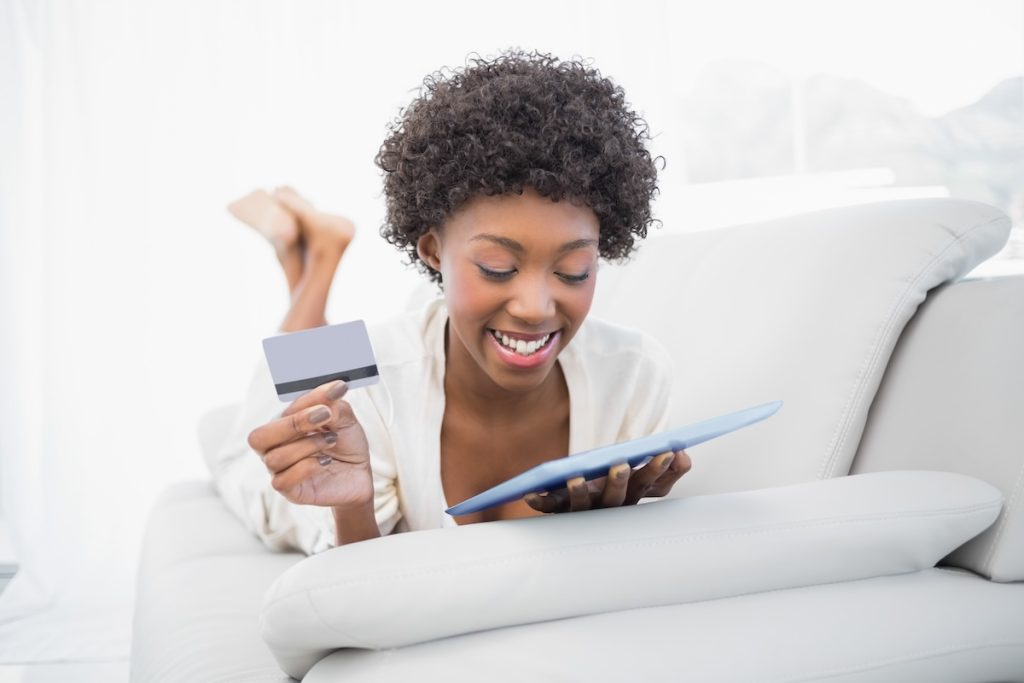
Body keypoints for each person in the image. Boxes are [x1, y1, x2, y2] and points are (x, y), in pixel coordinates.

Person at [210, 48, 692, 555]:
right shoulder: (360, 383)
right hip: (351, 363)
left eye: (573, 270)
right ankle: (314, 260)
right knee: (259, 419)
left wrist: (615, 534)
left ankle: (308, 251)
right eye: (497, 268)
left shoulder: (635, 374)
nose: (534, 306)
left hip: (413, 338)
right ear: (433, 250)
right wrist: (352, 509)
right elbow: (351, 578)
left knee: (334, 351)